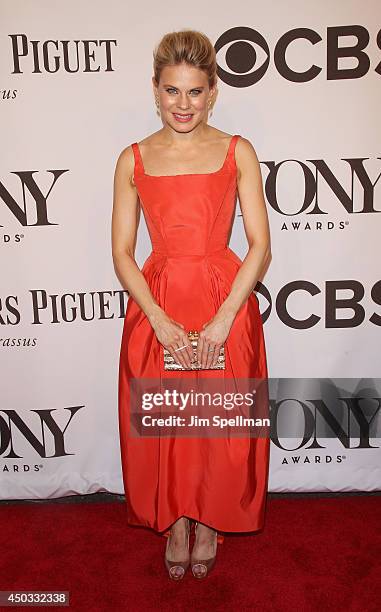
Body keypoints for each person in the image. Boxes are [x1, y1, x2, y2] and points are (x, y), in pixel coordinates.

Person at [112, 29, 271, 580]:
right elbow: (122, 252)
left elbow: (259, 244)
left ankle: (210, 520)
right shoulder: (133, 159)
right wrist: (155, 316)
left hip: (222, 296)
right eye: (173, 91)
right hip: (158, 302)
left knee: (220, 423)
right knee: (169, 421)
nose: (184, 104)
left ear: (214, 91)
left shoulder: (237, 151)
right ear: (155, 90)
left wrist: (228, 314)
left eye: (195, 92)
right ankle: (176, 521)